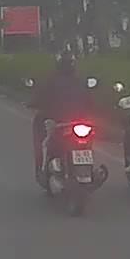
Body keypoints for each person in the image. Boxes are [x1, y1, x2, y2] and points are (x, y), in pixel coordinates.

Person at [30, 49, 95, 177]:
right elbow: (91, 102)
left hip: (60, 122)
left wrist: (33, 103)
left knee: (39, 131)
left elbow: (39, 99)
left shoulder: (50, 81)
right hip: (79, 122)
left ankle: (41, 167)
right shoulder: (80, 81)